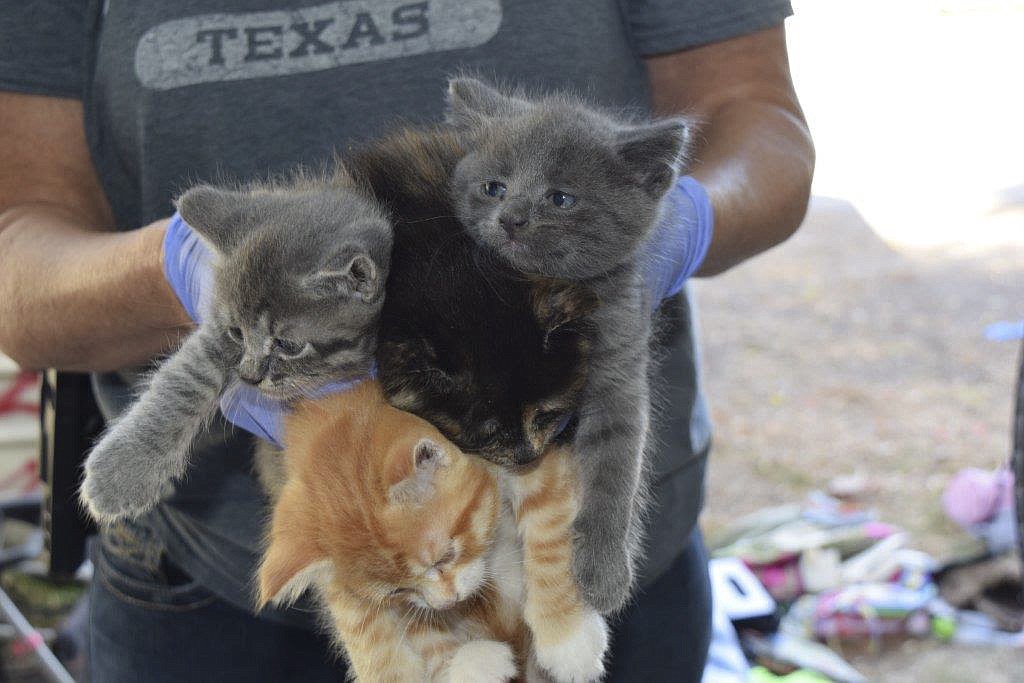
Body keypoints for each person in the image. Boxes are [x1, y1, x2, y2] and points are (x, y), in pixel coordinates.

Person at [0, 1, 813, 681]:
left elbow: (764, 129)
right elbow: (16, 256)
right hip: (217, 590)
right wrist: (176, 271)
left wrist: (687, 220)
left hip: (609, 558)